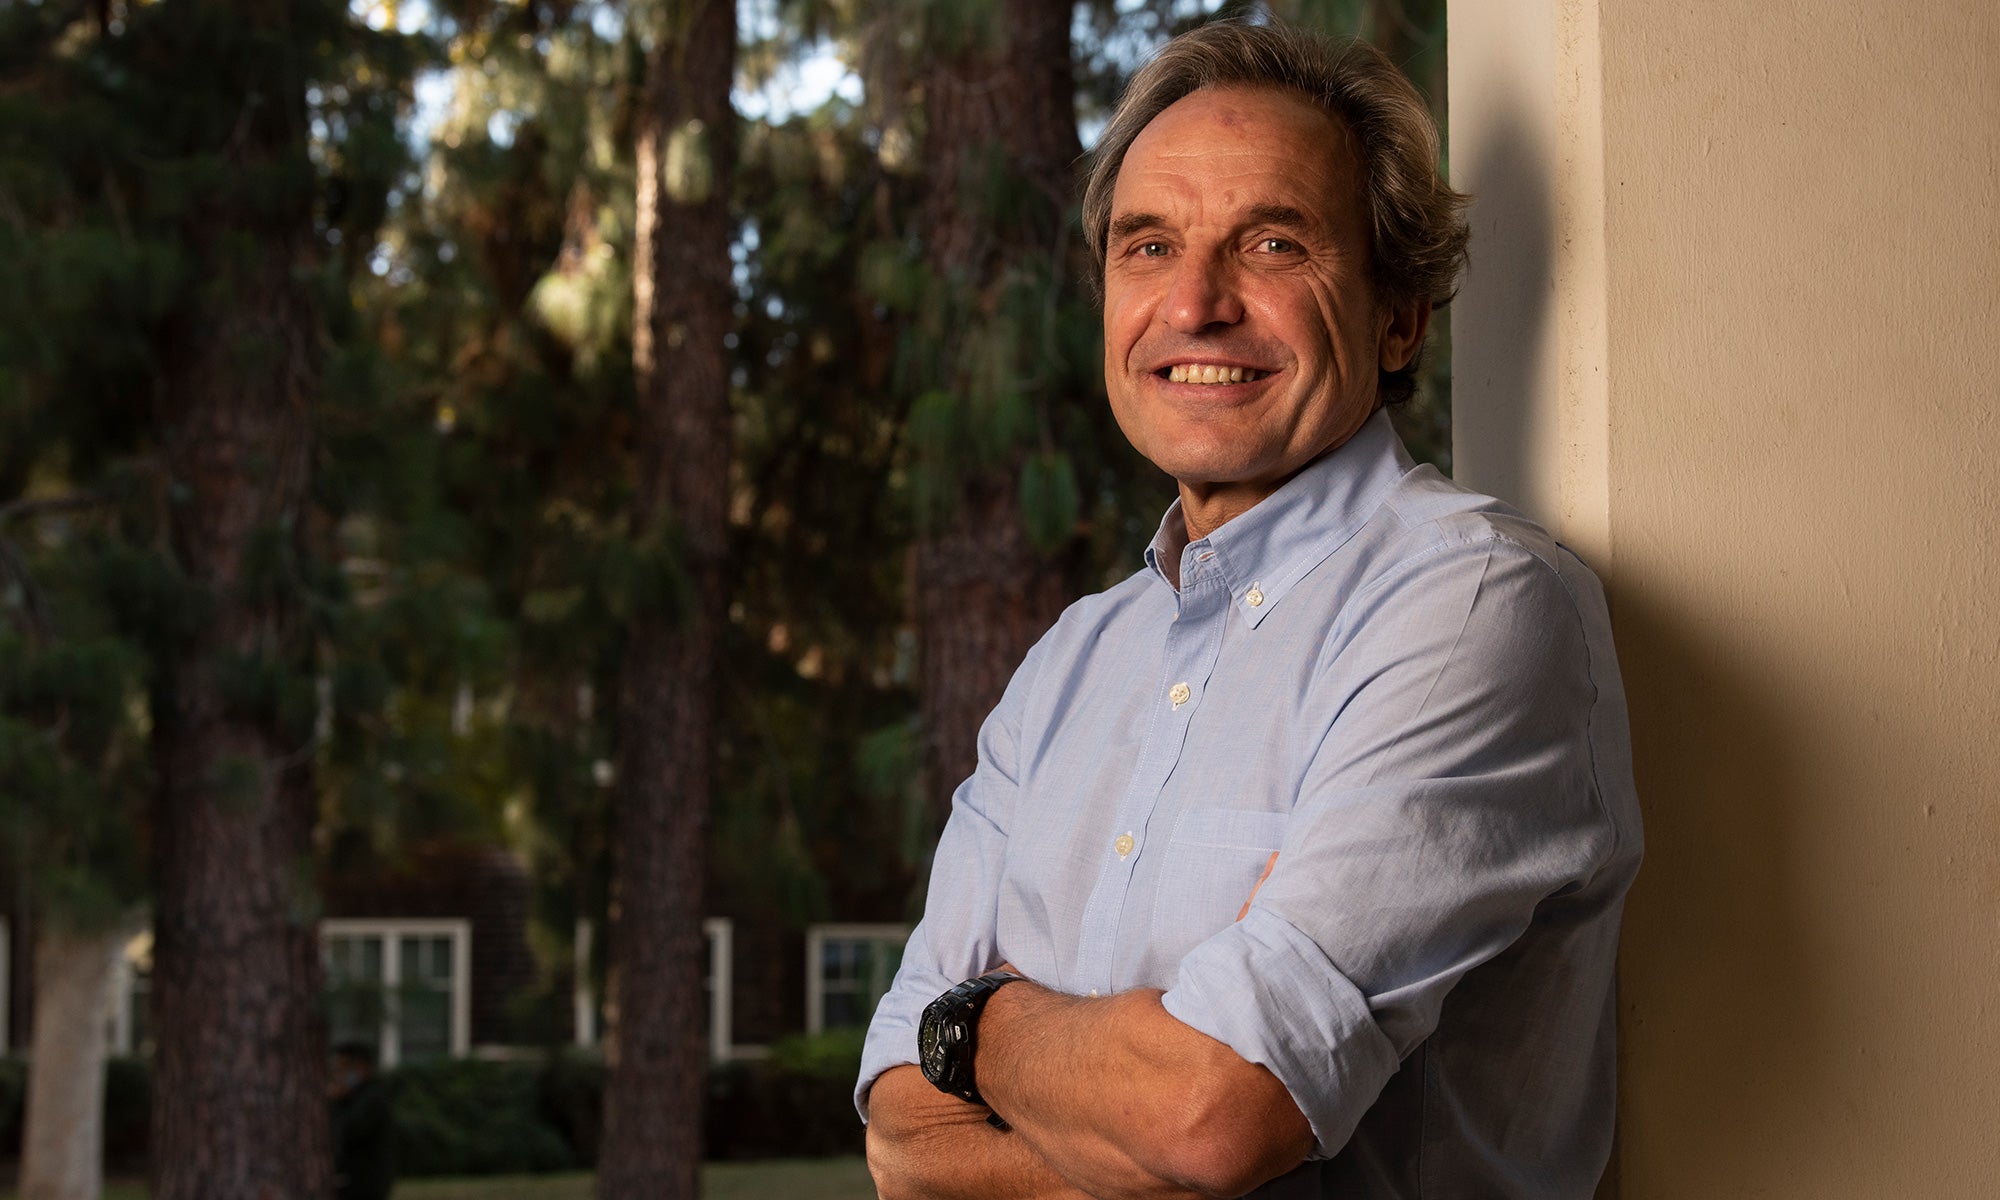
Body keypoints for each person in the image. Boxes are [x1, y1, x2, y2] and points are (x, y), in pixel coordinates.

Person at [858, 19, 1642, 1200]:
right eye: (1146, 245)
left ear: (1396, 316)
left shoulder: (1471, 605)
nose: (1194, 304)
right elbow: (900, 1139)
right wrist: (1120, 1080)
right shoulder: (1073, 660)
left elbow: (1212, 1118)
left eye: (1272, 243)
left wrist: (977, 1027)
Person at [329, 1041, 396, 1200]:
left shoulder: (371, 1099)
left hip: (364, 1184)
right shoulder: (353, 1098)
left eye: (343, 1068)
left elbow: (350, 1130)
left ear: (361, 1067)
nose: (338, 1075)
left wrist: (336, 1103)